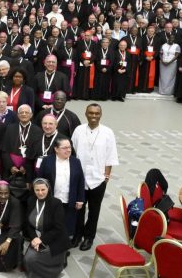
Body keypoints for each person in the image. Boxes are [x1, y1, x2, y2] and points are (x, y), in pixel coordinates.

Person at [70, 103, 119, 251]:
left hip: (98, 179)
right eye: (91, 113)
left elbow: (110, 155)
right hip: (80, 178)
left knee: (94, 210)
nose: (93, 116)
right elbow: (71, 152)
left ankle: (89, 237)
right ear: (86, 114)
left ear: (101, 115)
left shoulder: (107, 132)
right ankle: (77, 235)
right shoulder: (78, 130)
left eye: (96, 113)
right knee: (78, 208)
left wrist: (106, 177)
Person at [36, 136, 85, 238]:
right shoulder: (47, 161)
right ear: (56, 149)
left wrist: (80, 199)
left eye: (69, 147)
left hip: (69, 200)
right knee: (51, 223)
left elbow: (80, 181)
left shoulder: (76, 162)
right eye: (65, 148)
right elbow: (40, 179)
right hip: (52, 199)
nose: (68, 150)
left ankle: (63, 248)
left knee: (67, 225)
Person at [23, 178, 71, 278]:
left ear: (48, 188)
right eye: (37, 190)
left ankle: (47, 273)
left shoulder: (56, 203)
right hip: (37, 237)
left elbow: (59, 228)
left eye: (43, 189)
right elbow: (28, 224)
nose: (40, 193)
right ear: (33, 190)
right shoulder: (31, 200)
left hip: (54, 239)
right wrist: (34, 238)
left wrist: (41, 239)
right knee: (27, 259)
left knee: (31, 259)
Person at [0, 104, 41, 179]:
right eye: (21, 112)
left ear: (31, 115)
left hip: (28, 167)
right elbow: (4, 150)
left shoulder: (37, 131)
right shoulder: (10, 128)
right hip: (11, 167)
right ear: (18, 115)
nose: (24, 114)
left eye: (26, 112)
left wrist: (26, 166)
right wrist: (10, 166)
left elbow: (36, 152)